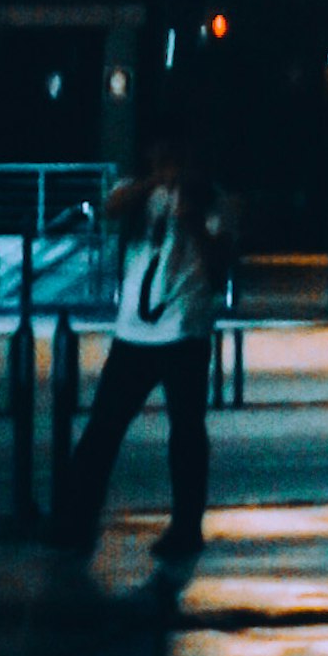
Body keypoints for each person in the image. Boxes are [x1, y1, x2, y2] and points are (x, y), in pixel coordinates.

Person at [45, 111, 238, 571]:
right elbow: (111, 208)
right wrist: (154, 182)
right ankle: (76, 517)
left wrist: (192, 219)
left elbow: (218, 269)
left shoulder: (210, 199)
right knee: (104, 428)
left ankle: (186, 526)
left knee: (186, 431)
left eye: (175, 154)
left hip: (183, 328)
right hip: (135, 330)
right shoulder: (138, 193)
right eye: (159, 152)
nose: (167, 160)